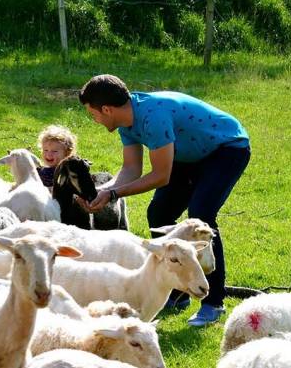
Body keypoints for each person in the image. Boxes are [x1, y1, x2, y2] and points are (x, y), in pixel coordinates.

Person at [76, 74, 250, 327]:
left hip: (226, 148)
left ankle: (213, 302)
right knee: (159, 213)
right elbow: (131, 170)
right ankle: (177, 293)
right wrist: (99, 192)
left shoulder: (151, 116)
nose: (94, 120)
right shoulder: (126, 121)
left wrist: (113, 194)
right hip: (189, 154)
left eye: (94, 114)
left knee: (201, 215)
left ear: (106, 109)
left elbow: (161, 175)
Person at [36, 125, 77, 189]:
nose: (49, 154)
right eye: (45, 150)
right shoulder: (40, 171)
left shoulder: (67, 171)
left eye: (54, 151)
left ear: (67, 153)